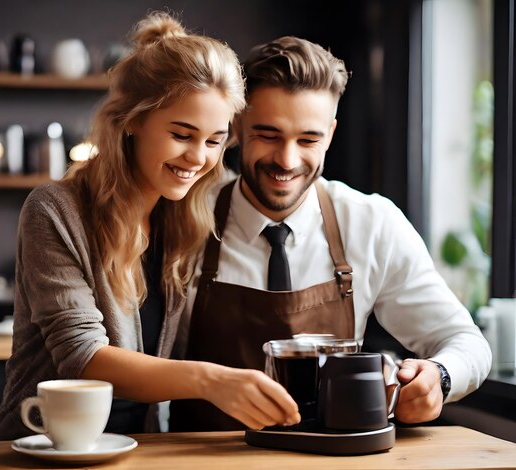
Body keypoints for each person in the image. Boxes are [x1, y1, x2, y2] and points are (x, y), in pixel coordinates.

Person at [0, 12, 301, 441]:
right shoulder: (55, 210)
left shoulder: (191, 207)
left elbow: (287, 186)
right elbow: (83, 357)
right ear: (132, 120)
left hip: (139, 450)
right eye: (182, 134)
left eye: (213, 141)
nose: (197, 158)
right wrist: (211, 381)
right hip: (43, 450)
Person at [170, 35, 492, 431]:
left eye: (308, 139)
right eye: (268, 135)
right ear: (237, 125)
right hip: (203, 458)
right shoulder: (183, 217)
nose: (287, 161)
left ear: (331, 134)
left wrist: (438, 377)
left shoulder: (371, 223)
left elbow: (466, 342)